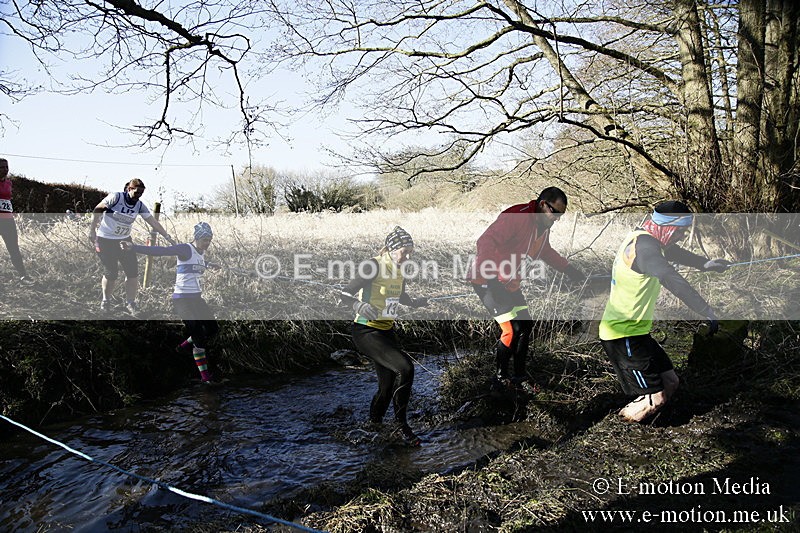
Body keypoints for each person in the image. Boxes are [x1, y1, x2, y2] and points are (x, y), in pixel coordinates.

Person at [599, 200, 731, 423]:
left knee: (671, 383)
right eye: (680, 231)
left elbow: (674, 252)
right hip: (623, 335)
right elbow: (672, 279)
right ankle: (623, 427)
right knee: (657, 397)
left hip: (637, 333)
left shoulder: (646, 239)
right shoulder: (645, 249)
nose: (681, 236)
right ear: (667, 226)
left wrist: (705, 264)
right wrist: (704, 309)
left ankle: (637, 418)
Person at [467, 186, 586, 393]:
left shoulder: (544, 226)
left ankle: (519, 377)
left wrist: (569, 269)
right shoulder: (517, 217)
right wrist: (490, 276)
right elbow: (485, 240)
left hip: (509, 284)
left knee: (526, 326)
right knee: (511, 330)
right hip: (488, 281)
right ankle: (500, 379)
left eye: (561, 215)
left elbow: (545, 251)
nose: (557, 219)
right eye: (555, 213)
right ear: (542, 205)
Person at [339, 226, 429, 446]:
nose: (408, 257)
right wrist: (359, 305)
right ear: (392, 248)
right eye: (404, 251)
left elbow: (400, 295)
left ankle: (374, 425)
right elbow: (343, 294)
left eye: (411, 252)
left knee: (387, 385)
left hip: (386, 331)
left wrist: (416, 302)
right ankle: (401, 427)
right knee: (405, 368)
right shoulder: (373, 265)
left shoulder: (400, 269)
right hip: (366, 331)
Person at [123, 222, 220, 383]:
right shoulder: (185, 249)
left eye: (209, 239)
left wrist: (209, 265)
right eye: (205, 239)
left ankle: (183, 346)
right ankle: (205, 377)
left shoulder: (200, 253)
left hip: (197, 299)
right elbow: (161, 251)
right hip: (182, 299)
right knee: (198, 336)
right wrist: (134, 247)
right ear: (197, 238)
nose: (207, 243)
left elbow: (197, 263)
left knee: (212, 328)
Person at [88, 179, 174, 316]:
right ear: (129, 189)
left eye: (141, 193)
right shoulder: (116, 197)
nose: (138, 195)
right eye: (137, 192)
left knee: (132, 272)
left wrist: (167, 237)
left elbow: (152, 222)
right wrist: (92, 230)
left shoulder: (139, 205)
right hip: (106, 240)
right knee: (111, 273)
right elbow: (97, 209)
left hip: (124, 241)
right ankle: (106, 301)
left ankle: (131, 303)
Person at [0, 158, 33, 285]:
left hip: (8, 221)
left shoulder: (9, 183)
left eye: (6, 167)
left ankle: (23, 276)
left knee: (14, 248)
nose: (5, 169)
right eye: (2, 167)